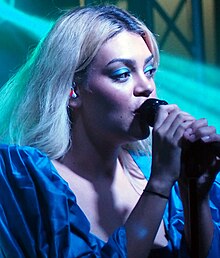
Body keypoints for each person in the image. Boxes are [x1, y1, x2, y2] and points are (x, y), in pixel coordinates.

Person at [0, 5, 219, 258]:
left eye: (149, 71)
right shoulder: (26, 177)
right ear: (73, 90)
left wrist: (195, 193)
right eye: (122, 74)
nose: (146, 87)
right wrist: (159, 183)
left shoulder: (159, 173)